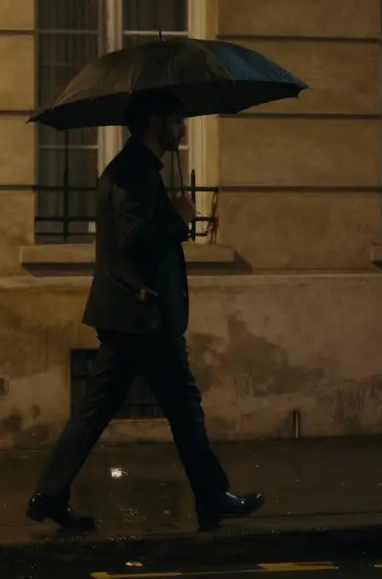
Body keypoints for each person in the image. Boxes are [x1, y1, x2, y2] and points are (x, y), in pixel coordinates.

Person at [26, 94, 264, 533]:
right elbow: (134, 239)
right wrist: (178, 217)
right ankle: (211, 497)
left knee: (104, 409)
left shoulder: (138, 169)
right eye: (178, 120)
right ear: (156, 122)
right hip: (141, 316)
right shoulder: (133, 172)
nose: (184, 129)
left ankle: (50, 494)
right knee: (181, 406)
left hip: (133, 313)